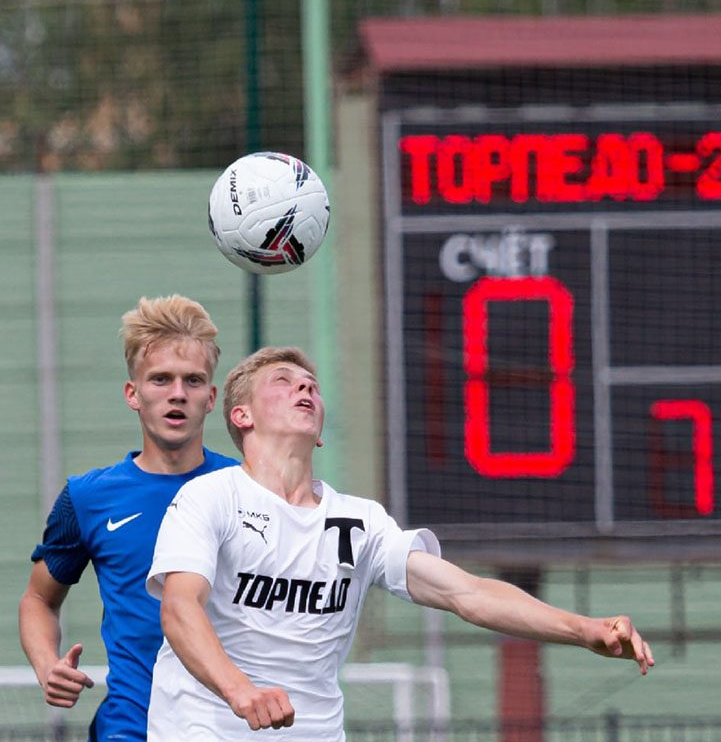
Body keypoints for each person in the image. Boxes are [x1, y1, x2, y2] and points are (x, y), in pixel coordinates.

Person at [146, 346, 653, 740]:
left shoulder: (359, 522)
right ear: (242, 416)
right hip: (202, 730)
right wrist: (240, 692)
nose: (304, 387)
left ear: (320, 430)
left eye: (312, 386)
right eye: (283, 382)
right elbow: (179, 609)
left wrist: (583, 629)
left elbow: (467, 594)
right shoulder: (209, 497)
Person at [18, 295, 238, 742]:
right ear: (132, 394)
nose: (178, 393)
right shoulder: (87, 497)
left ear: (211, 397)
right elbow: (38, 600)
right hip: (131, 728)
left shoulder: (248, 489)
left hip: (233, 726)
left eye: (193, 381)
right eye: (161, 379)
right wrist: (47, 665)